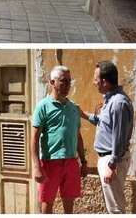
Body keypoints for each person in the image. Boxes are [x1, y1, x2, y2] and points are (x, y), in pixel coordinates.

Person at [31, 65, 88, 214]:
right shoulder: (43, 106)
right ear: (52, 82)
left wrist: (83, 162)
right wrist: (37, 167)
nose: (68, 85)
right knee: (47, 202)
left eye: (69, 81)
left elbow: (78, 136)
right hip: (50, 162)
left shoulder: (73, 108)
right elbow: (34, 139)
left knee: (69, 203)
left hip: (71, 162)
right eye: (63, 81)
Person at [79, 61, 134, 214]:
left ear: (104, 81)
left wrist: (112, 165)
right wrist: (83, 114)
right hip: (107, 158)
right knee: (112, 206)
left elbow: (119, 137)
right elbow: (104, 123)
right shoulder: (110, 99)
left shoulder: (118, 103)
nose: (94, 82)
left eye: (96, 79)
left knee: (115, 209)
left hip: (112, 159)